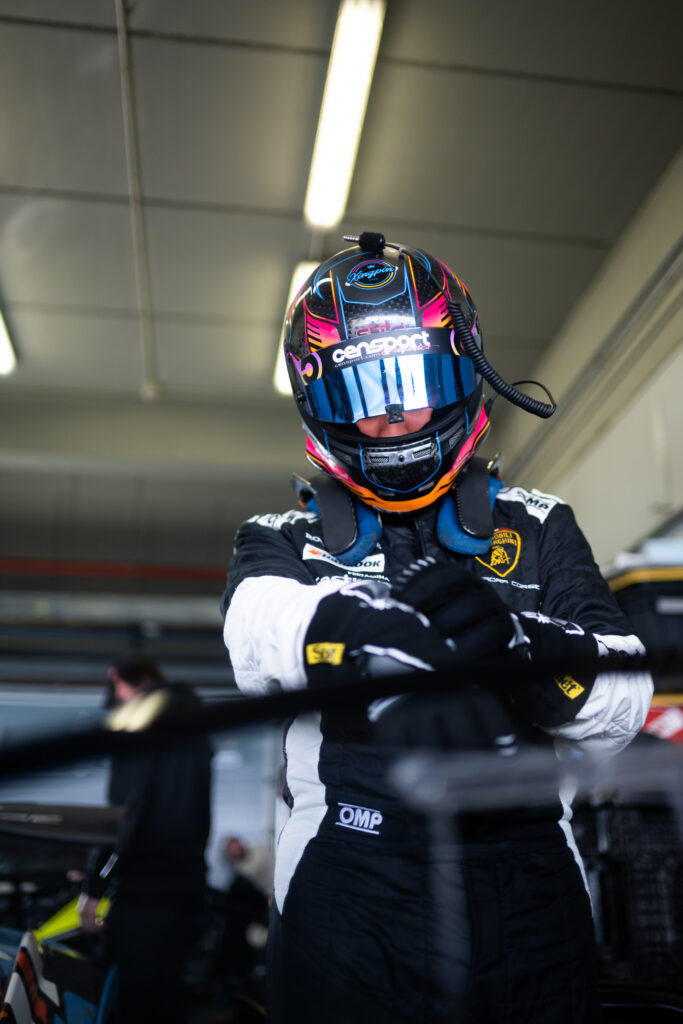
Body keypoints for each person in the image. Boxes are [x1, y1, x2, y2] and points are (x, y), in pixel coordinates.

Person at [220, 233, 653, 1023]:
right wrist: (367, 632)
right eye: (365, 393)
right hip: (346, 889)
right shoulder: (281, 537)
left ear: (462, 372)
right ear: (321, 403)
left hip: (529, 890)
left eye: (413, 383)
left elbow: (624, 701)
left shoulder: (540, 525)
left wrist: (521, 651)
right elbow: (255, 638)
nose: (393, 417)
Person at [79, 659, 212, 1024]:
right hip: (187, 885)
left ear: (117, 680)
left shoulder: (139, 722)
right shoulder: (195, 724)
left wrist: (95, 884)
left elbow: (125, 814)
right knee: (167, 995)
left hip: (143, 891)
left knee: (130, 1000)